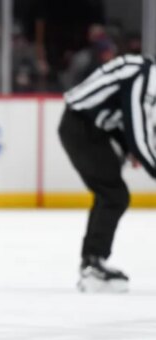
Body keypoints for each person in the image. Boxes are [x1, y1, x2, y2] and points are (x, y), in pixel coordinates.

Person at [59, 54, 156, 293]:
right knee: (113, 195)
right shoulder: (144, 75)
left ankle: (92, 261)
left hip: (87, 126)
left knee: (110, 194)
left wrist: (129, 147)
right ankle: (92, 263)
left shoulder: (142, 70)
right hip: (80, 127)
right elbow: (138, 129)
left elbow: (126, 116)